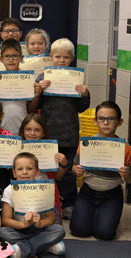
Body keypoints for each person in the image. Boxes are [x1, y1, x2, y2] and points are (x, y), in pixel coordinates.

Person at [35, 38, 90, 218]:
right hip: (48, 132)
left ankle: (70, 202)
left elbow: (82, 107)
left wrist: (85, 94)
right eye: (58, 56)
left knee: (67, 170)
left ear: (72, 58)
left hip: (70, 133)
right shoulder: (43, 78)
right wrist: (39, 90)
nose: (61, 60)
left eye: (66, 57)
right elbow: (34, 105)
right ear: (51, 57)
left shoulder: (76, 79)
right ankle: (47, 202)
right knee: (48, 168)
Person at [70, 101, 131, 240]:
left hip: (112, 195)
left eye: (111, 119)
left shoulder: (126, 148)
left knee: (104, 234)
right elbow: (74, 166)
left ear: (119, 122)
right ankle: (95, 215)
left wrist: (127, 174)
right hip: (87, 192)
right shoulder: (86, 144)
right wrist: (77, 171)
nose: (106, 123)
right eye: (101, 119)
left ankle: (105, 216)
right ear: (95, 121)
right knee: (78, 230)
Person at [0, 152, 66, 258]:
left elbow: (51, 218)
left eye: (29, 168)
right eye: (20, 169)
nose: (24, 172)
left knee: (59, 230)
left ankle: (20, 249)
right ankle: (46, 245)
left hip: (40, 229)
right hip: (19, 230)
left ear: (37, 172)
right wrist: (23, 224)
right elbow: (6, 220)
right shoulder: (9, 190)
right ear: (14, 173)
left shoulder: (44, 188)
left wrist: (40, 223)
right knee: (3, 233)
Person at [19, 113, 69, 223]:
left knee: (55, 228)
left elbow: (58, 176)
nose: (32, 133)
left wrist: (64, 164)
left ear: (43, 133)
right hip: (23, 198)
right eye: (28, 129)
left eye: (37, 130)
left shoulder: (49, 151)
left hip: (46, 197)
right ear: (22, 131)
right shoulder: (17, 150)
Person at [0, 39, 41, 135]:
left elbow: (31, 110)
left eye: (15, 56)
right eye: (7, 56)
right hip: (0, 129)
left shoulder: (29, 80)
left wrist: (36, 96)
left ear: (21, 58)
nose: (11, 60)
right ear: (1, 59)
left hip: (23, 128)